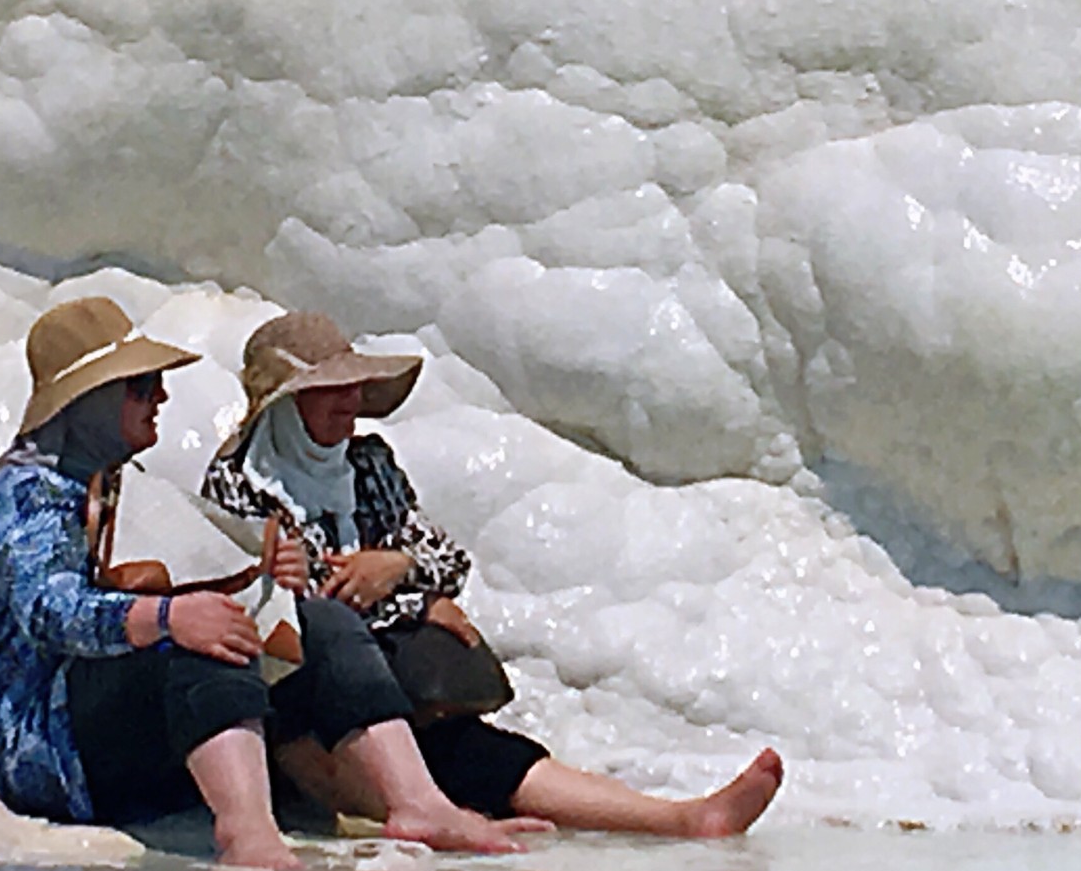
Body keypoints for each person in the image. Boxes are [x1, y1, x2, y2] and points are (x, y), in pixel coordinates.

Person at [0, 297, 542, 870]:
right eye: (140, 387)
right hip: (56, 760)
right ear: (85, 402)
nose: (159, 397)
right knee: (206, 633)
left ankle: (419, 804)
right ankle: (249, 830)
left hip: (119, 728)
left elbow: (167, 573)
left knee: (323, 623)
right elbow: (50, 612)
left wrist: (265, 582)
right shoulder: (22, 494)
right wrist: (170, 618)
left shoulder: (111, 481)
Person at [200, 310, 785, 837]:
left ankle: (677, 817)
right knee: (319, 715)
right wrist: (416, 603)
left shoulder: (369, 464)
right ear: (283, 402)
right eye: (330, 389)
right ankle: (426, 813)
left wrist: (396, 567)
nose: (349, 400)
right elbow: (291, 605)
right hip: (305, 689)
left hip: (392, 683)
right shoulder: (237, 482)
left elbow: (446, 559)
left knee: (483, 754)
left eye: (353, 386)